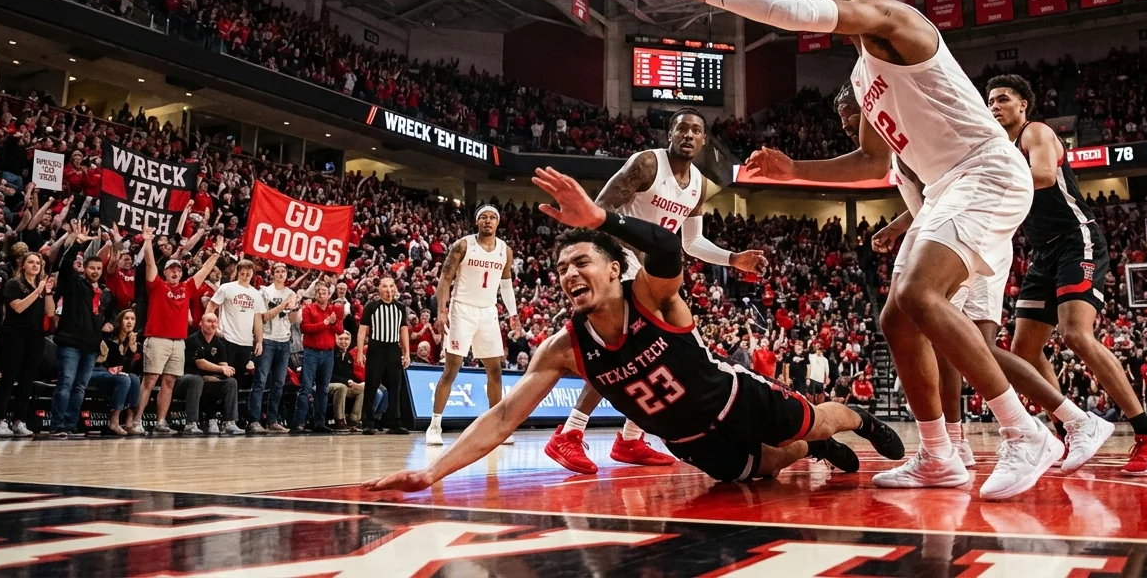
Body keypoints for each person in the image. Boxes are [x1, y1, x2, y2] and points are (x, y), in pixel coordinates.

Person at [638, 0, 1063, 499]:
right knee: (897, 319)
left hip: (985, 169)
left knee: (920, 294)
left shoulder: (898, 20)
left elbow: (800, 14)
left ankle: (1024, 433)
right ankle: (938, 455)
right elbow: (869, 161)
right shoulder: (863, 74)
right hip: (945, 187)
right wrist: (795, 170)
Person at [363, 167, 904, 494]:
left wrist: (598, 219)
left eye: (582, 262)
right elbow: (504, 416)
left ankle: (861, 420)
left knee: (809, 422)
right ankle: (816, 451)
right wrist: (431, 474)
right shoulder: (563, 348)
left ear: (612, 267)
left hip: (735, 399)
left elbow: (669, 248)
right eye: (562, 270)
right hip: (689, 440)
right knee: (771, 467)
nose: (571, 274)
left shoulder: (648, 295)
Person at [844, 85, 1106, 475]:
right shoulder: (900, 148)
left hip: (975, 234)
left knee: (970, 344)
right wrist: (898, 226)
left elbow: (955, 191)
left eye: (854, 117)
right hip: (953, 228)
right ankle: (956, 441)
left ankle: (1073, 419)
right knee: (944, 341)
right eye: (846, 124)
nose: (851, 126)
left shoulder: (911, 134)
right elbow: (933, 199)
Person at [544, 109, 768, 474]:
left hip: (653, 270)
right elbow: (599, 209)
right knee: (635, 350)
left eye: (697, 129)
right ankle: (570, 433)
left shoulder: (697, 184)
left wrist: (733, 259)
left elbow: (691, 241)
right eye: (682, 127)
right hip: (623, 261)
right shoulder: (648, 164)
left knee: (668, 351)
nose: (689, 134)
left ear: (704, 140)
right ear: (670, 134)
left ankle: (631, 438)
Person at [987, 74, 1147, 475]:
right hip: (1042, 253)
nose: (994, 105)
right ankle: (1070, 428)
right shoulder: (997, 148)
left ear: (1023, 105)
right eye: (990, 100)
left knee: (1076, 334)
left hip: (1077, 239)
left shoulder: (1034, 132)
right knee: (1022, 352)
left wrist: (989, 181)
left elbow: (1039, 176)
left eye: (1003, 98)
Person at [427, 206, 517, 446]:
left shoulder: (505, 251)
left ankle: (496, 427)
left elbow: (506, 284)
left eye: (493, 218)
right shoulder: (463, 245)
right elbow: (445, 278)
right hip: (462, 309)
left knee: (495, 371)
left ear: (498, 223)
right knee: (452, 369)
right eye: (484, 217)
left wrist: (514, 313)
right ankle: (434, 425)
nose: (488, 221)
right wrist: (441, 311)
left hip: (488, 311)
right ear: (477, 222)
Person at [135, 227, 224, 435]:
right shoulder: (157, 286)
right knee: (150, 380)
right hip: (157, 339)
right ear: (164, 272)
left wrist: (217, 254)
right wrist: (148, 242)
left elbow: (203, 272)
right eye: (171, 269)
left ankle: (160, 423)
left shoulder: (187, 288)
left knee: (169, 381)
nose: (175, 272)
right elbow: (149, 263)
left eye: (178, 270)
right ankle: (136, 420)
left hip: (178, 342)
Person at [48, 222, 115, 438]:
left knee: (80, 387)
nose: (95, 272)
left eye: (98, 269)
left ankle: (71, 424)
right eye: (91, 268)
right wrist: (77, 244)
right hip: (70, 343)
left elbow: (111, 313)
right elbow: (65, 264)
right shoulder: (74, 284)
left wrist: (111, 323)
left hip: (91, 346)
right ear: (84, 269)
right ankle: (57, 424)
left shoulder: (105, 293)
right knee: (66, 383)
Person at [0, 250, 56, 438]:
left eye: (38, 263)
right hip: (14, 336)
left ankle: (19, 421)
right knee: (9, 379)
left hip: (35, 337)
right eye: (31, 262)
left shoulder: (42, 287)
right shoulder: (14, 283)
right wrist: (37, 290)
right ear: (23, 265)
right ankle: (0, 421)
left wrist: (48, 291)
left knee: (27, 381)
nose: (35, 265)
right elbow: (18, 307)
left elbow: (50, 313)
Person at [250, 263, 301, 432]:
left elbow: (294, 320)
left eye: (283, 271)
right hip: (267, 339)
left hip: (284, 340)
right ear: (272, 274)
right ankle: (254, 421)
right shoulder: (264, 292)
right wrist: (282, 306)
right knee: (261, 380)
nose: (280, 274)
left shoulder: (291, 293)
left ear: (287, 275)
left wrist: (295, 308)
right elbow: (264, 316)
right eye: (277, 271)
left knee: (279, 383)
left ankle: (272, 420)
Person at [356, 276, 410, 435]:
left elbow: (403, 330)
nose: (388, 290)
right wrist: (360, 352)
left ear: (395, 288)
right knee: (372, 385)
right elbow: (362, 331)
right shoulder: (371, 306)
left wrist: (406, 353)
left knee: (395, 386)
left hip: (394, 348)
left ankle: (394, 422)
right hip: (376, 348)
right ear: (379, 289)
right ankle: (367, 421)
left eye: (391, 286)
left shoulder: (400, 307)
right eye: (385, 286)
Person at [178, 313, 246, 435]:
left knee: (231, 382)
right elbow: (200, 363)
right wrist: (220, 370)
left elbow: (224, 366)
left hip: (209, 380)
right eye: (209, 321)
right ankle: (191, 423)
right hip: (187, 380)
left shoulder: (219, 343)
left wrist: (221, 372)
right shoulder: (193, 340)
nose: (213, 324)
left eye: (215, 322)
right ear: (201, 323)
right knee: (197, 380)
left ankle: (229, 422)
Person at [204, 258, 264, 395]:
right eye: (243, 273)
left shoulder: (256, 294)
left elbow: (258, 319)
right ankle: (211, 409)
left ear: (252, 274)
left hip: (246, 341)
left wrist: (259, 341)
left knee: (238, 378)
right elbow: (212, 305)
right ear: (238, 272)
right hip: (227, 338)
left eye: (248, 273)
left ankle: (229, 412)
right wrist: (211, 326)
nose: (245, 276)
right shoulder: (226, 288)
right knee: (222, 376)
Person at [293, 281, 342, 433]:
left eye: (324, 292)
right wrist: (326, 322)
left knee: (324, 389)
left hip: (328, 353)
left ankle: (320, 423)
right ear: (315, 294)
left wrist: (332, 324)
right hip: (311, 352)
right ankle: (299, 423)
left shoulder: (335, 309)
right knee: (306, 388)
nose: (321, 294)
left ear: (329, 295)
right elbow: (305, 328)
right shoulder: (309, 309)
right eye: (319, 292)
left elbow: (340, 330)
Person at [91, 309, 142, 435]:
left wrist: (131, 350)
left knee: (134, 378)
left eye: (133, 319)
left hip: (115, 376)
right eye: (126, 318)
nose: (130, 322)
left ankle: (129, 422)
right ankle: (114, 422)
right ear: (120, 321)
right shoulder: (109, 339)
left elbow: (128, 369)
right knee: (124, 379)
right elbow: (106, 363)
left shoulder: (130, 341)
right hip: (97, 371)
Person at [327, 330, 362, 431]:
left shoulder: (349, 356)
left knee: (361, 390)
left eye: (346, 339)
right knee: (342, 387)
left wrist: (359, 383)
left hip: (343, 384)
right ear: (335, 339)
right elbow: (330, 375)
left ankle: (354, 420)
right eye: (341, 339)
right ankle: (339, 420)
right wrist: (347, 382)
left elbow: (350, 375)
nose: (344, 341)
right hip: (328, 383)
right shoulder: (331, 353)